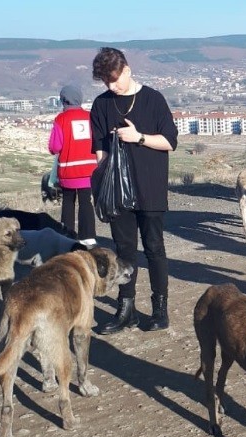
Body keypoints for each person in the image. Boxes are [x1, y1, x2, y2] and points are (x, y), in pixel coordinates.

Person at [89, 47, 178, 333]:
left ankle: (159, 309)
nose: (112, 87)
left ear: (127, 70)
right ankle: (126, 309)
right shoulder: (101, 105)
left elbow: (170, 142)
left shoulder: (153, 99)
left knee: (154, 248)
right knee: (124, 251)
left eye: (115, 80)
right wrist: (101, 185)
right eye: (106, 83)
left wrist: (138, 137)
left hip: (150, 187)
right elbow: (99, 151)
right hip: (117, 193)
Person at [48, 85, 98, 246]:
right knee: (86, 202)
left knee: (68, 203)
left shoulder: (60, 120)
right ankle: (88, 236)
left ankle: (67, 237)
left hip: (69, 170)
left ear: (63, 100)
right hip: (89, 170)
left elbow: (55, 147)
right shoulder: (90, 117)